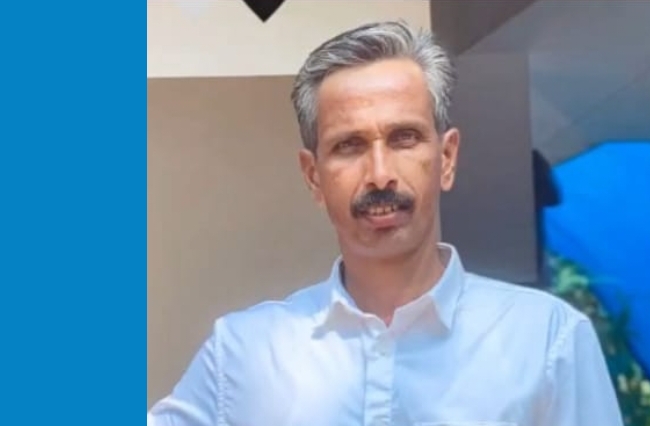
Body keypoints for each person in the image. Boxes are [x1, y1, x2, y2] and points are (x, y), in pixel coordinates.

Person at [147, 21, 623, 426]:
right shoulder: (244, 353)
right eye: (349, 145)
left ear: (447, 158)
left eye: (404, 138)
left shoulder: (546, 341)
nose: (380, 174)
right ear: (314, 177)